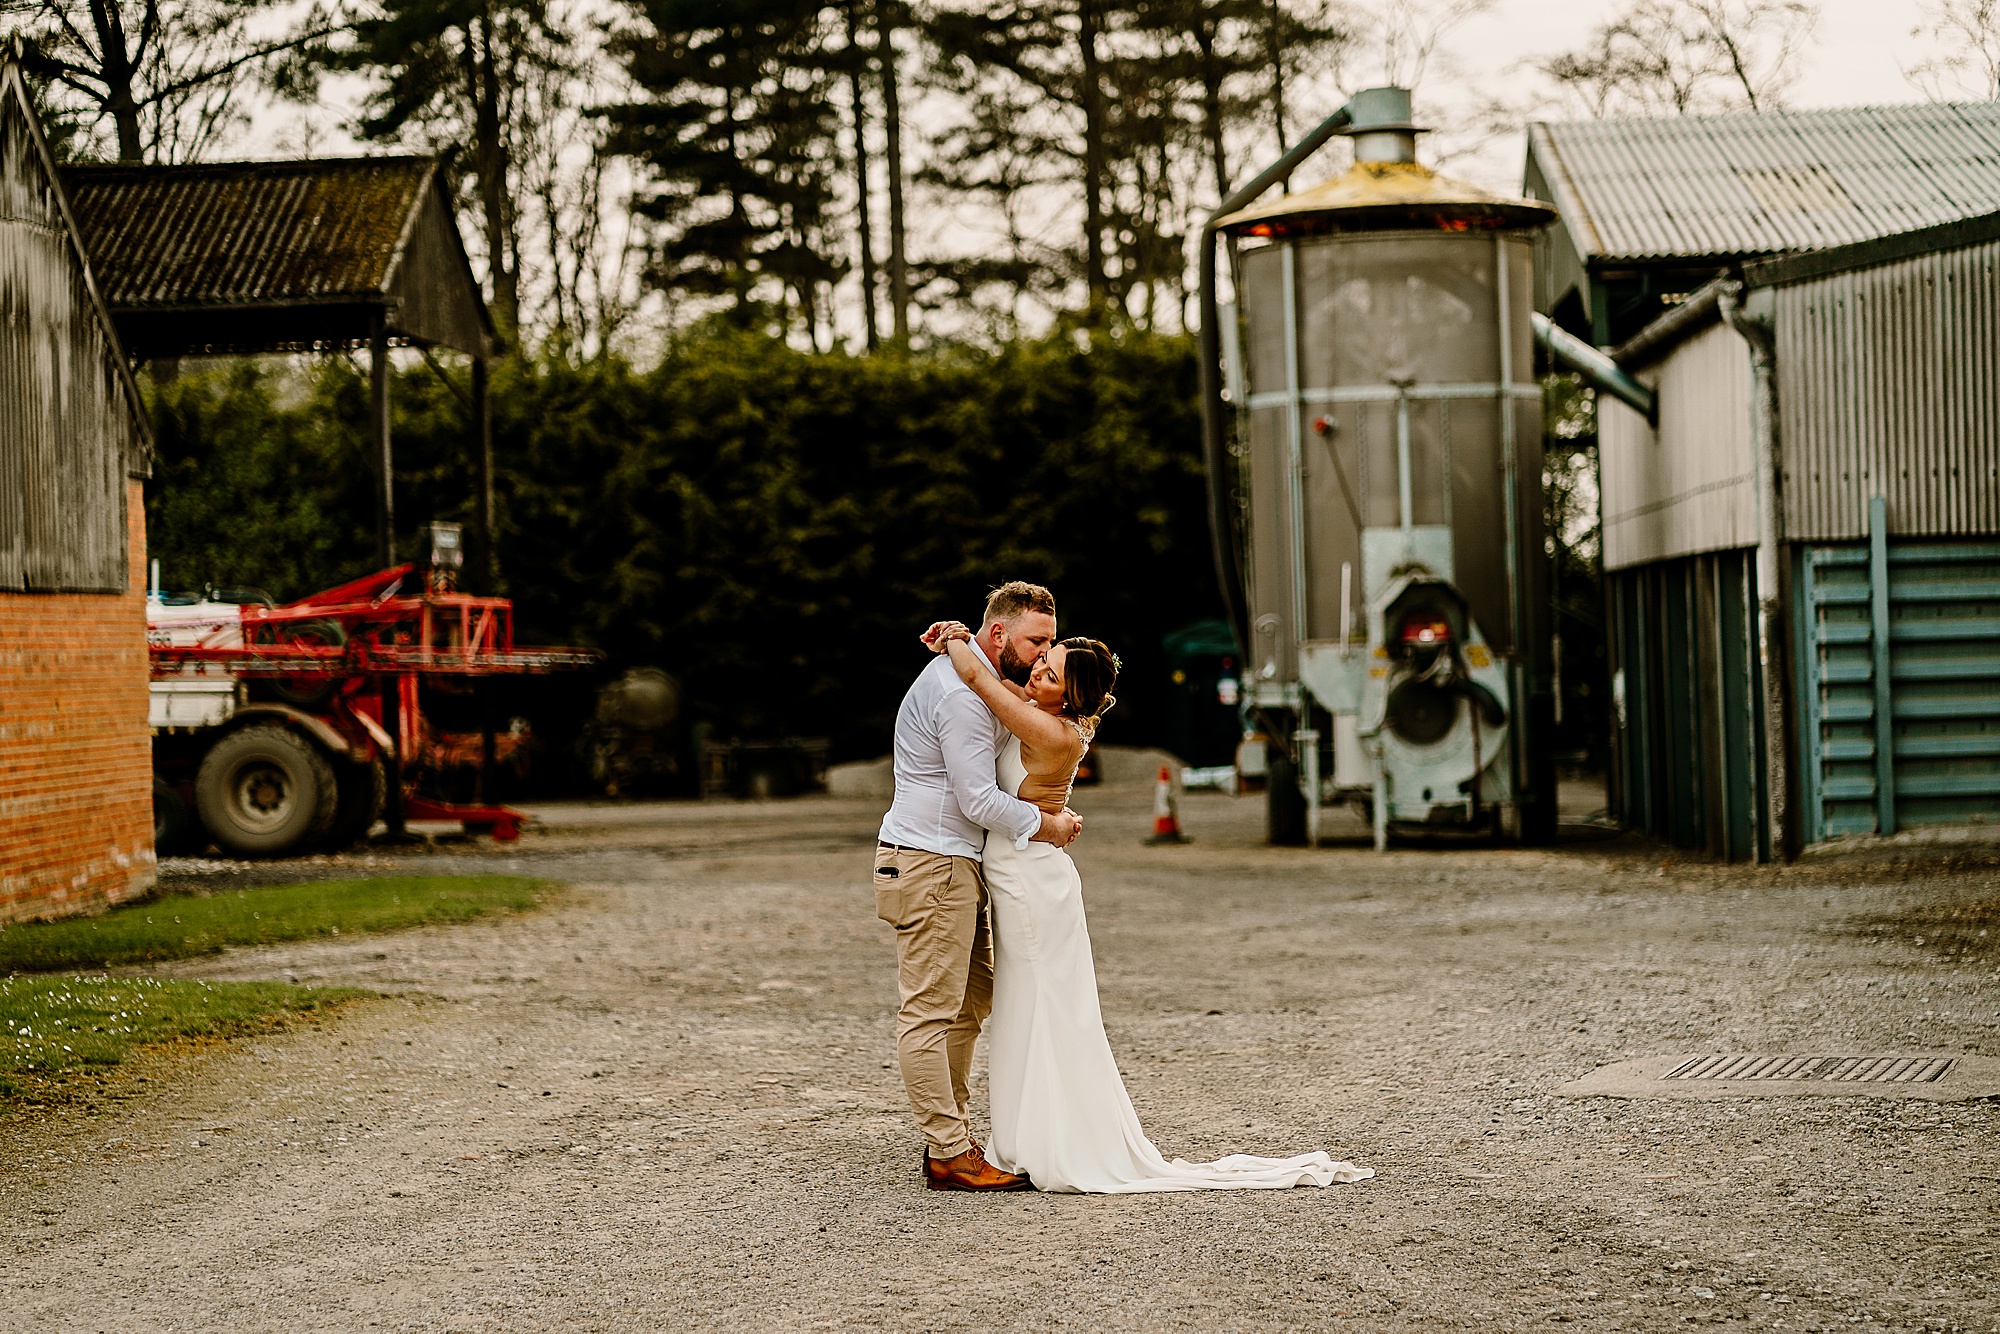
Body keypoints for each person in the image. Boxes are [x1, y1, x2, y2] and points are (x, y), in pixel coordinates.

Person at [922, 619, 1375, 1194]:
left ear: (1070, 695)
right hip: (1024, 873)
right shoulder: (1045, 713)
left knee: (1042, 1006)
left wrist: (956, 638)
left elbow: (976, 680)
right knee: (1028, 1005)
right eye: (1043, 658)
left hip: (1031, 882)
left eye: (1051, 668)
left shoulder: (1050, 731)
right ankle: (1028, 1135)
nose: (1037, 668)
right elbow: (997, 684)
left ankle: (1051, 1141)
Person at [875, 582, 1083, 1193]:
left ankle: (953, 1132)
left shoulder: (980, 679)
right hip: (930, 861)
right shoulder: (962, 696)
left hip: (950, 861)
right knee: (931, 1009)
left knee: (972, 1000)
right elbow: (977, 798)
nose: (1046, 652)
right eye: (1038, 641)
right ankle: (948, 1151)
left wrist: (955, 639)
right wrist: (1047, 824)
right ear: (999, 636)